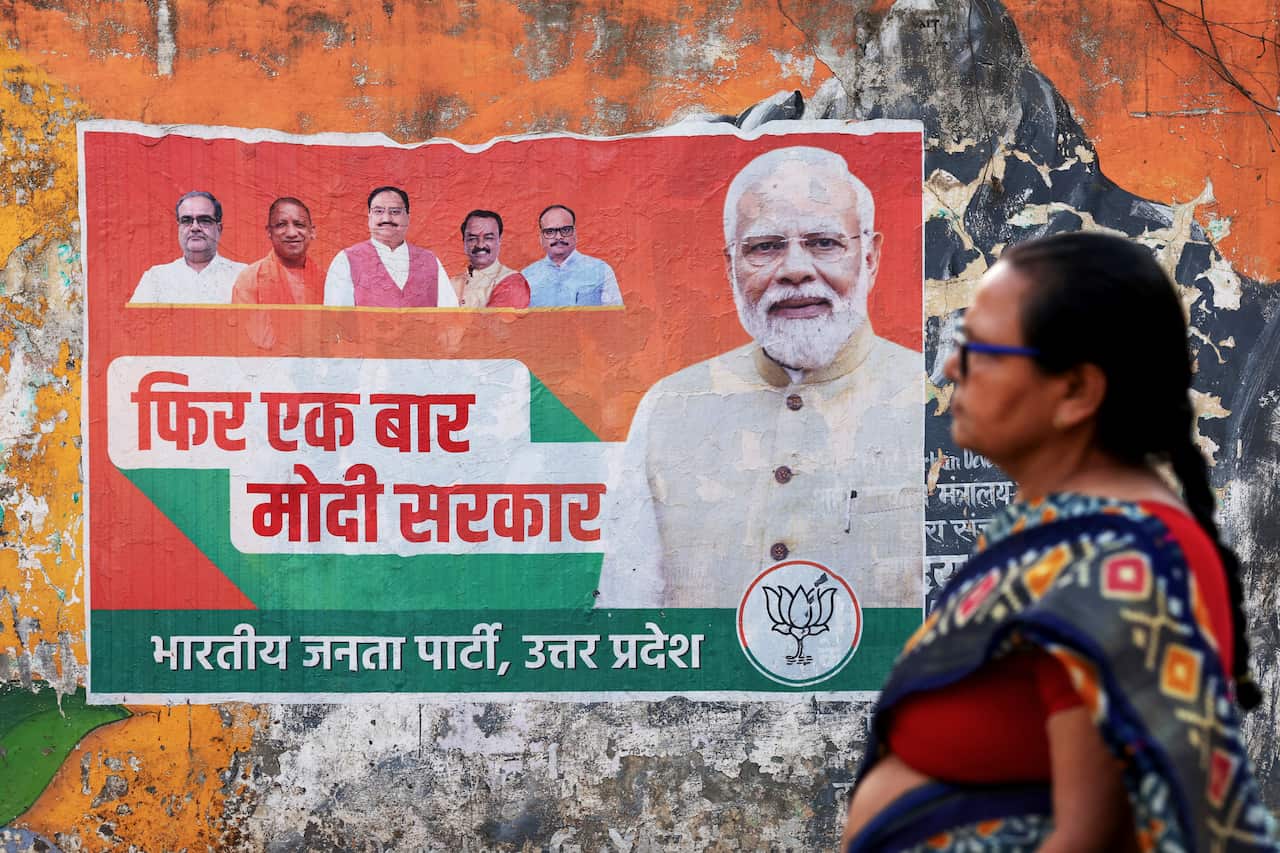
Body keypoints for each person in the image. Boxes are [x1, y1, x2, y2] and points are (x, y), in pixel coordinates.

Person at [841, 232, 1276, 851]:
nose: (949, 368)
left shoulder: (1122, 566)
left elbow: (1094, 835)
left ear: (1075, 391)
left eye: (979, 349)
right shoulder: (1073, 535)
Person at [596, 147, 921, 610]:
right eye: (765, 247)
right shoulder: (671, 408)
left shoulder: (944, 401)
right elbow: (626, 620)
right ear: (731, 266)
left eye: (824, 243)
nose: (794, 270)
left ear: (869, 257)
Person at [324, 186, 457, 308]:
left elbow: (450, 318)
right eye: (378, 211)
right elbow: (337, 323)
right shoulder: (346, 260)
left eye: (395, 211)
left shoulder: (430, 261)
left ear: (408, 218)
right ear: (369, 217)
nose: (386, 218)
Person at [129, 190, 245, 303]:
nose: (195, 227)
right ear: (179, 228)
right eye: (186, 220)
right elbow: (138, 321)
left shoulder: (243, 275)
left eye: (204, 220)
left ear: (219, 229)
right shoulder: (156, 278)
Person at [522, 204, 623, 307]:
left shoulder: (601, 270)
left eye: (565, 230)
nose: (558, 237)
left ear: (575, 234)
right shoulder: (526, 277)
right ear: (541, 238)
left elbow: (615, 318)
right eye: (550, 232)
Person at [231, 197, 324, 305]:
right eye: (281, 225)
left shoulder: (327, 281)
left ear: (312, 232)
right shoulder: (250, 279)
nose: (291, 233)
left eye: (299, 224)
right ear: (269, 232)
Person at [448, 210, 530, 307]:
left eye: (488, 238)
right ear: (464, 242)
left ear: (499, 240)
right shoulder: (451, 284)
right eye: (472, 238)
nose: (480, 245)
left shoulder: (512, 282)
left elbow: (494, 321)